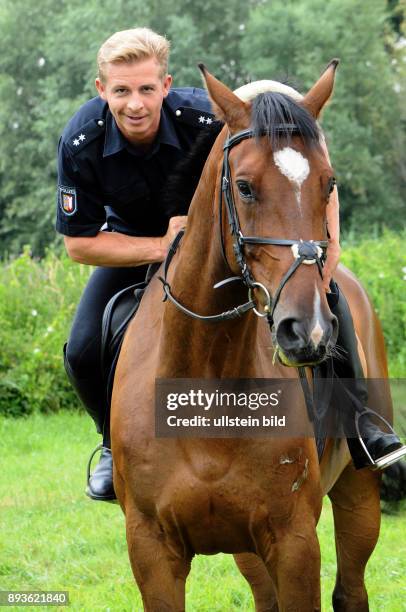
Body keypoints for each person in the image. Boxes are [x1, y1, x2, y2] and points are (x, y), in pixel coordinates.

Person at [57, 27, 406, 502]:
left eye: (146, 89)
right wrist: (161, 247)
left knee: (330, 299)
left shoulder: (211, 118)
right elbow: (79, 246)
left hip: (224, 248)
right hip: (134, 245)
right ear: (102, 91)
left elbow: (303, 161)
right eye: (121, 91)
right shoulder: (81, 141)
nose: (135, 103)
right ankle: (112, 446)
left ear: (166, 84)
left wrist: (329, 247)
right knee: (80, 349)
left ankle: (359, 421)